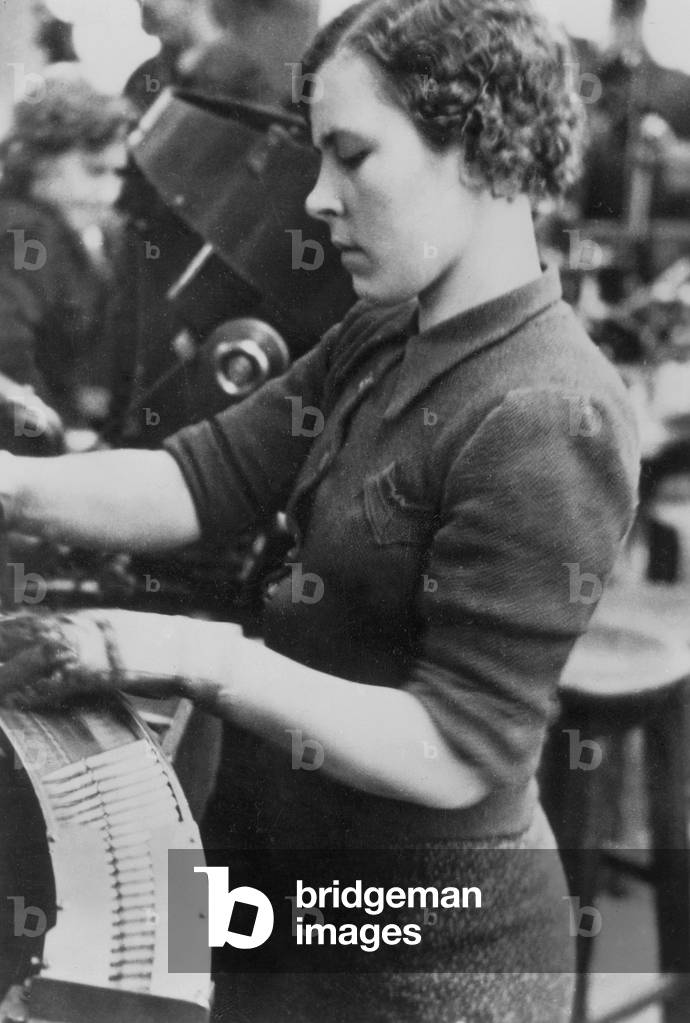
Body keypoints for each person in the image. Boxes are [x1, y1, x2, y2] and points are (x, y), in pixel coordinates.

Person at [0, 1, 640, 1020]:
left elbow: (454, 745)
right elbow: (198, 479)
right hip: (277, 885)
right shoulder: (382, 334)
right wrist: (12, 484)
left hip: (415, 950)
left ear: (480, 148)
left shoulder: (548, 410)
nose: (318, 197)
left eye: (351, 156)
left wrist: (185, 654)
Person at [0, 72, 130, 431]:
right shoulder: (28, 232)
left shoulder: (63, 231)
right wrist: (62, 430)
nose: (108, 193)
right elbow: (8, 348)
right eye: (93, 171)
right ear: (40, 161)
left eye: (116, 174)